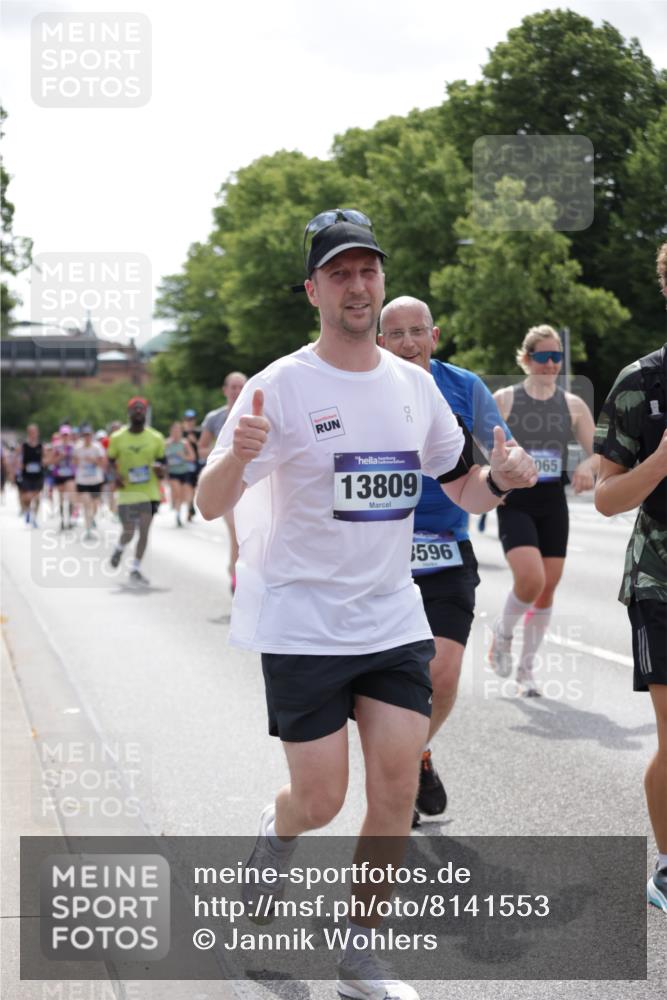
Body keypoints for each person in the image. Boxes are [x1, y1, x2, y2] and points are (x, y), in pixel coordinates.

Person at [197, 208, 537, 1000]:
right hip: (303, 620)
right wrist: (236, 460)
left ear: (380, 281)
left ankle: (358, 957)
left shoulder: (413, 388)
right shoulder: (279, 388)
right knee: (320, 801)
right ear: (313, 289)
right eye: (340, 273)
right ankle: (276, 835)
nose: (357, 285)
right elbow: (213, 503)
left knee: (391, 794)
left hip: (389, 617)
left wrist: (503, 481)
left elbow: (460, 486)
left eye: (368, 270)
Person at [379, 296, 513, 827]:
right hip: (379, 553)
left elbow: (501, 446)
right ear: (381, 341)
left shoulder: (464, 386)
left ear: (435, 336)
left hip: (446, 546)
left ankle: (409, 756)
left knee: (445, 671)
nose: (409, 343)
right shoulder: (365, 389)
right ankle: (402, 765)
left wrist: (510, 463)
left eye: (418, 332)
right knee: (382, 682)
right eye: (397, 334)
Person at [594, 241, 667, 914]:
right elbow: (606, 497)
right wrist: (661, 462)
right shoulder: (638, 383)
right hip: (658, 581)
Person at [489, 325, 599, 696]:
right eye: (543, 357)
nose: (551, 364)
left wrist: (588, 466)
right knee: (531, 579)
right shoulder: (504, 399)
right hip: (514, 502)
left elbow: (599, 451)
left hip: (552, 503)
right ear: (526, 359)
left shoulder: (573, 405)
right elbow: (478, 446)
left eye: (556, 357)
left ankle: (526, 670)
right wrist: (491, 481)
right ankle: (502, 635)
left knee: (548, 587)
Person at [107, 397, 166, 586]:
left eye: (142, 408)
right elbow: (109, 462)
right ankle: (119, 547)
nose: (139, 411)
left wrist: (160, 470)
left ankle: (135, 568)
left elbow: (164, 464)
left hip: (149, 493)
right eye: (135, 408)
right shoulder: (117, 438)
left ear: (146, 412)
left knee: (144, 531)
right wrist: (114, 477)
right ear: (129, 412)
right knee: (129, 531)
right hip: (127, 492)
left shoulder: (156, 437)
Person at [199, 371, 248, 589]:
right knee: (237, 530)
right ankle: (237, 577)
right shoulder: (214, 418)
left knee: (249, 534)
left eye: (241, 386)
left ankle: (237, 569)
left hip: (251, 482)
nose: (237, 391)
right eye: (233, 387)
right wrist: (218, 456)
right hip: (225, 481)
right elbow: (201, 447)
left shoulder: (256, 415)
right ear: (225, 390)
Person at [73, 424, 106, 539]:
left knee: (94, 506)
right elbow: (74, 463)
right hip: (83, 480)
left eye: (89, 435)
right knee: (87, 504)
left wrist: (93, 460)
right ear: (83, 436)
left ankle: (91, 520)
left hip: (96, 480)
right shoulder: (77, 448)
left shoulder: (97, 447)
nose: (87, 438)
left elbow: (103, 464)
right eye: (85, 435)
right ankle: (88, 530)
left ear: (92, 436)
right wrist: (78, 461)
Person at [164, 420, 196, 526]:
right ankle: (177, 515)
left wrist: (183, 456)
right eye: (174, 430)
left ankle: (181, 510)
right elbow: (162, 458)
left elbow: (192, 457)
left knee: (184, 495)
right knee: (177, 492)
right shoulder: (166, 443)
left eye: (178, 430)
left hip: (184, 471)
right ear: (170, 431)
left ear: (181, 432)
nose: (176, 433)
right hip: (173, 472)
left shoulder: (184, 443)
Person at [15, 423, 45, 527]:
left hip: (38, 475)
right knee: (26, 497)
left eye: (34, 432)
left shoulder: (41, 446)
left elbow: (45, 458)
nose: (33, 434)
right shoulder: (24, 446)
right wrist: (19, 466)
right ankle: (27, 510)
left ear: (38, 433)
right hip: (26, 475)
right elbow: (16, 457)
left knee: (37, 497)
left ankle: (34, 518)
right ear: (28, 433)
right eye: (31, 432)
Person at [50, 424, 77, 530]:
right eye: (63, 435)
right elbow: (52, 461)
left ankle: (70, 519)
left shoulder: (74, 446)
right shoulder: (56, 446)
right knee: (61, 498)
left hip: (70, 474)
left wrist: (71, 459)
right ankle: (62, 520)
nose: (65, 436)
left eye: (67, 435)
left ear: (69, 435)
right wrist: (60, 457)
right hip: (59, 474)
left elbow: (76, 461)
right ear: (61, 435)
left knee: (70, 496)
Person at [182, 408, 201, 522]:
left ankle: (191, 505)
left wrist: (194, 442)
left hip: (195, 463)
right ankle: (189, 507)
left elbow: (203, 448)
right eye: (188, 419)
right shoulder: (181, 433)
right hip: (183, 464)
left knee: (193, 487)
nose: (190, 421)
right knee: (187, 486)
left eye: (192, 419)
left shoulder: (199, 433)